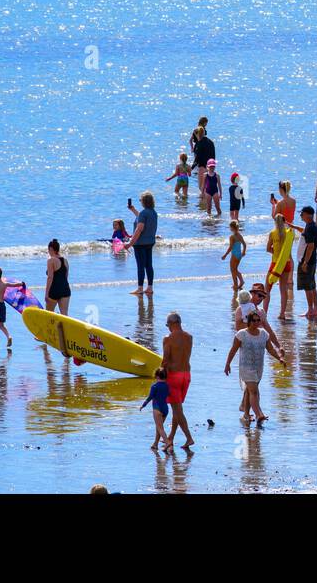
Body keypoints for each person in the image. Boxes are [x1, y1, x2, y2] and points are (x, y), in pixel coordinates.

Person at [224, 312, 285, 424]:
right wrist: (227, 364)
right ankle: (259, 414)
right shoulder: (241, 334)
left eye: (258, 320)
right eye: (254, 320)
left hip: (258, 367)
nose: (256, 323)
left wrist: (279, 358)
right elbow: (233, 350)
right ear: (249, 321)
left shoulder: (264, 334)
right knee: (254, 392)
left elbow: (270, 349)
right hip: (245, 367)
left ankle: (246, 415)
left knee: (249, 391)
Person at [162, 312, 195, 451]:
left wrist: (159, 376)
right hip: (186, 375)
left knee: (177, 409)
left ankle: (189, 437)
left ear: (172, 323)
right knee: (178, 408)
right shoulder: (189, 337)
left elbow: (166, 359)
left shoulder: (168, 338)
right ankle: (171, 437)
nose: (167, 328)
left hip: (174, 376)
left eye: (167, 325)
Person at [124, 192, 158, 296]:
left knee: (140, 266)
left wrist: (129, 243)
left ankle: (140, 288)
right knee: (148, 265)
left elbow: (139, 229)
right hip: (150, 242)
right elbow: (142, 218)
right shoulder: (153, 212)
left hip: (140, 244)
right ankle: (150, 287)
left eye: (140, 200)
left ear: (144, 201)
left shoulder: (144, 213)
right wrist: (133, 210)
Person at [264, 213, 294, 319]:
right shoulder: (289, 233)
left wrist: (275, 253)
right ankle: (282, 314)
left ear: (275, 222)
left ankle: (265, 313)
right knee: (283, 290)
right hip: (286, 264)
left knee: (267, 289)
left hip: (275, 264)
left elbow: (268, 249)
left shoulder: (272, 233)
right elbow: (288, 251)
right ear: (284, 221)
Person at [296, 205, 317, 320]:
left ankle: (310, 310)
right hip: (312, 260)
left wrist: (305, 262)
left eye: (302, 214)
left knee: (308, 287)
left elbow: (310, 246)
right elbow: (304, 232)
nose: (300, 216)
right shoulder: (312, 225)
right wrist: (292, 226)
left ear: (308, 215)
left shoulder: (310, 227)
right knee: (312, 285)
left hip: (308, 261)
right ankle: (315, 309)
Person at [0, 267, 20, 350]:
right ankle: (9, 336)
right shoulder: (5, 284)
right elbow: (15, 285)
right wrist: (22, 284)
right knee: (1, 325)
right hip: (2, 306)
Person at [140, 368, 171, 451]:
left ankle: (167, 442)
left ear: (157, 376)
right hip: (165, 408)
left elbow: (150, 397)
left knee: (160, 428)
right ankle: (155, 444)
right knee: (159, 427)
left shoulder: (154, 386)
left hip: (157, 408)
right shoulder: (167, 386)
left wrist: (143, 405)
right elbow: (169, 394)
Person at [192, 127, 216, 211]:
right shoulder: (211, 142)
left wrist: (191, 168)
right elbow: (213, 155)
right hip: (210, 167)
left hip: (202, 167)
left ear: (198, 134)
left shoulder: (199, 143)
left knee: (201, 187)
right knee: (208, 187)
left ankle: (204, 206)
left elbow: (197, 158)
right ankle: (208, 206)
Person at [45, 238, 71, 314]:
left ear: (51, 249)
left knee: (48, 315)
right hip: (65, 289)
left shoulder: (51, 260)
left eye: (48, 250)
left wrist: (46, 294)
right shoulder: (65, 261)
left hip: (54, 290)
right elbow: (66, 277)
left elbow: (50, 278)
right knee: (64, 315)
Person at [221, 220, 247, 291]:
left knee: (233, 270)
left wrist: (225, 255)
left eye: (230, 227)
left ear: (232, 228)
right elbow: (244, 244)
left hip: (234, 255)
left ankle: (237, 283)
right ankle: (239, 282)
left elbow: (231, 247)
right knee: (235, 269)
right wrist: (244, 252)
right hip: (239, 255)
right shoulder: (239, 235)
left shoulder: (232, 237)